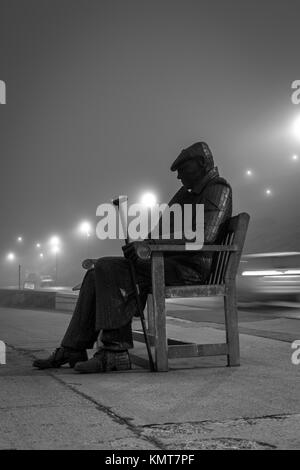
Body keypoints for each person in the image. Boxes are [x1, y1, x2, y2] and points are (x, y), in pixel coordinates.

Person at [33, 142, 232, 373]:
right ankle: (73, 348)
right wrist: (142, 246)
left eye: (183, 169)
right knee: (97, 271)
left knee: (109, 269)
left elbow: (205, 237)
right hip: (168, 262)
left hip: (190, 268)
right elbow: (160, 232)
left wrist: (150, 245)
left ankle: (115, 352)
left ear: (201, 164)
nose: (178, 176)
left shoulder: (218, 188)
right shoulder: (189, 194)